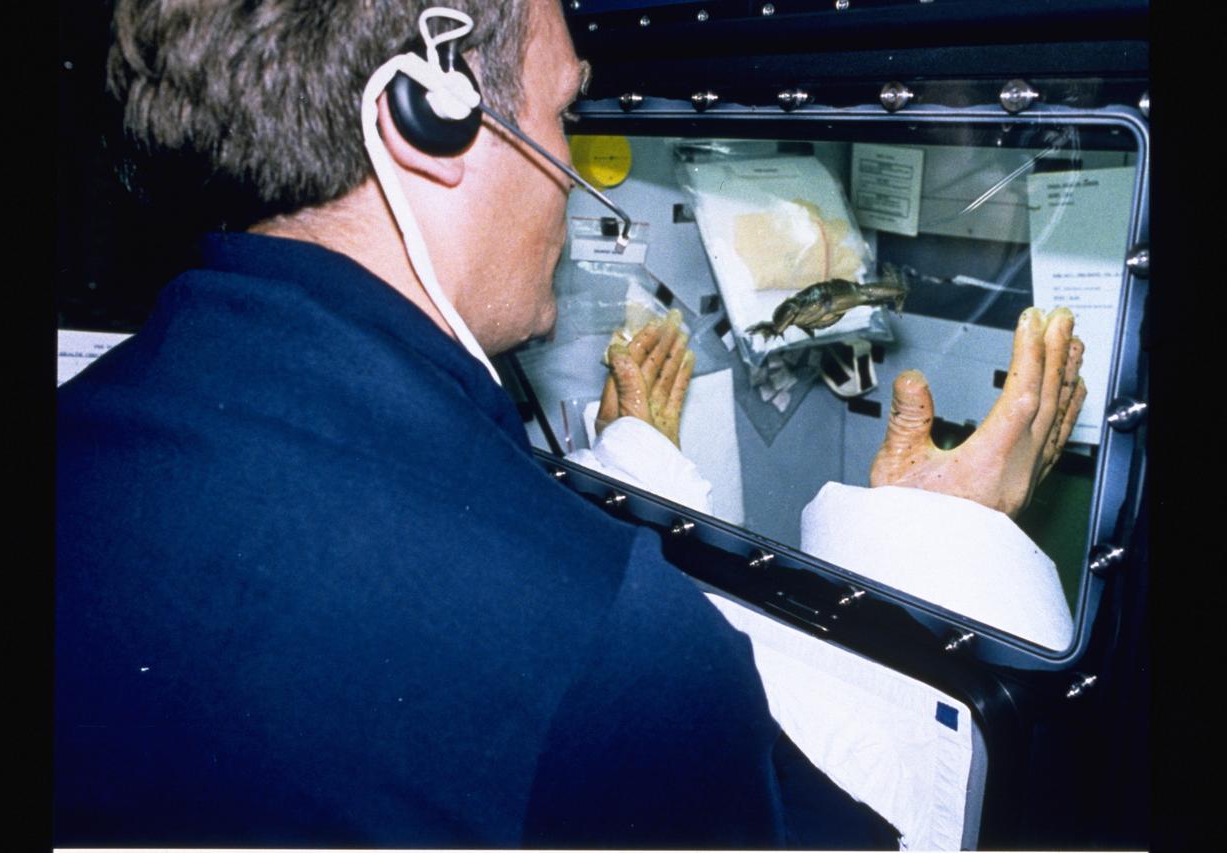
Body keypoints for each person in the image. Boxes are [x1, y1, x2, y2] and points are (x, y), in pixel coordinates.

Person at [54, 0, 1082, 846]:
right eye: (563, 112)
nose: (568, 170)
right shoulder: (604, 645)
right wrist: (937, 539)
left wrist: (634, 465)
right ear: (426, 119)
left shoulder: (82, 436)